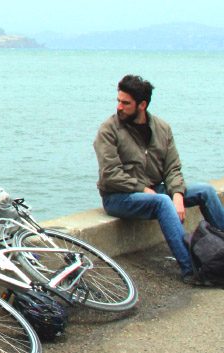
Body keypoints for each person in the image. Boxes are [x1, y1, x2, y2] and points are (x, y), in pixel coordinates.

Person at [94, 74, 224, 285]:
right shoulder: (109, 130)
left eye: (125, 103)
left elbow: (173, 168)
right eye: (118, 101)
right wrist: (142, 189)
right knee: (163, 202)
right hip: (119, 196)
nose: (119, 107)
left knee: (205, 191)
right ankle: (191, 270)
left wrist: (178, 195)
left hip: (157, 190)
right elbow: (110, 174)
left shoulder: (162, 129)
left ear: (142, 105)